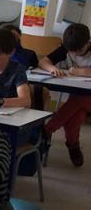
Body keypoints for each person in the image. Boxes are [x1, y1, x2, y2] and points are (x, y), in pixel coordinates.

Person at [39, 22, 91, 166]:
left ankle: (49, 128)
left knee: (79, 98)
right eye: (71, 51)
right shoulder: (67, 48)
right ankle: (73, 144)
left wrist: (81, 72)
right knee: (76, 115)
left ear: (88, 42)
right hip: (80, 99)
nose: (74, 53)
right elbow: (43, 61)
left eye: (78, 50)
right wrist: (51, 69)